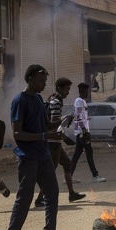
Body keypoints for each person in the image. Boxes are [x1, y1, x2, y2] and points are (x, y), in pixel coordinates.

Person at [3, 64, 72, 230]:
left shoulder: (39, 99)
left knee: (52, 193)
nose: (44, 84)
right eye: (41, 81)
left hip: (43, 155)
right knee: (24, 199)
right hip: (28, 157)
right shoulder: (20, 100)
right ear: (30, 78)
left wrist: (62, 121)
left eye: (45, 81)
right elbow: (17, 133)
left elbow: (47, 124)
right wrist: (41, 136)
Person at [34, 77, 85, 207]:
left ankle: (71, 193)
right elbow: (53, 124)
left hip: (55, 140)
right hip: (52, 141)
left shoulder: (54, 100)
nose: (68, 92)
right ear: (60, 88)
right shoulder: (55, 102)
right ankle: (40, 199)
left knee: (67, 164)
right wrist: (65, 137)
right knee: (50, 171)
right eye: (67, 89)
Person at [70, 83, 106, 183]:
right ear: (81, 91)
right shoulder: (79, 101)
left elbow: (79, 116)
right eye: (86, 91)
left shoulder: (81, 101)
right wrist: (84, 131)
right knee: (89, 152)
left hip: (80, 131)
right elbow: (78, 117)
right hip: (82, 132)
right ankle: (95, 175)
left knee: (77, 154)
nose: (88, 93)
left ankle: (68, 176)